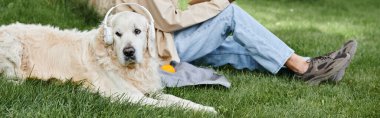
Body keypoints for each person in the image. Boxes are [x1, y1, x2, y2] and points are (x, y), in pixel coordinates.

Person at [89, 0, 357, 85]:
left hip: (163, 41)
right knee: (230, 16)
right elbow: (170, 20)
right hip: (158, 50)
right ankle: (304, 67)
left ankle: (313, 66)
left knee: (229, 48)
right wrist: (219, 5)